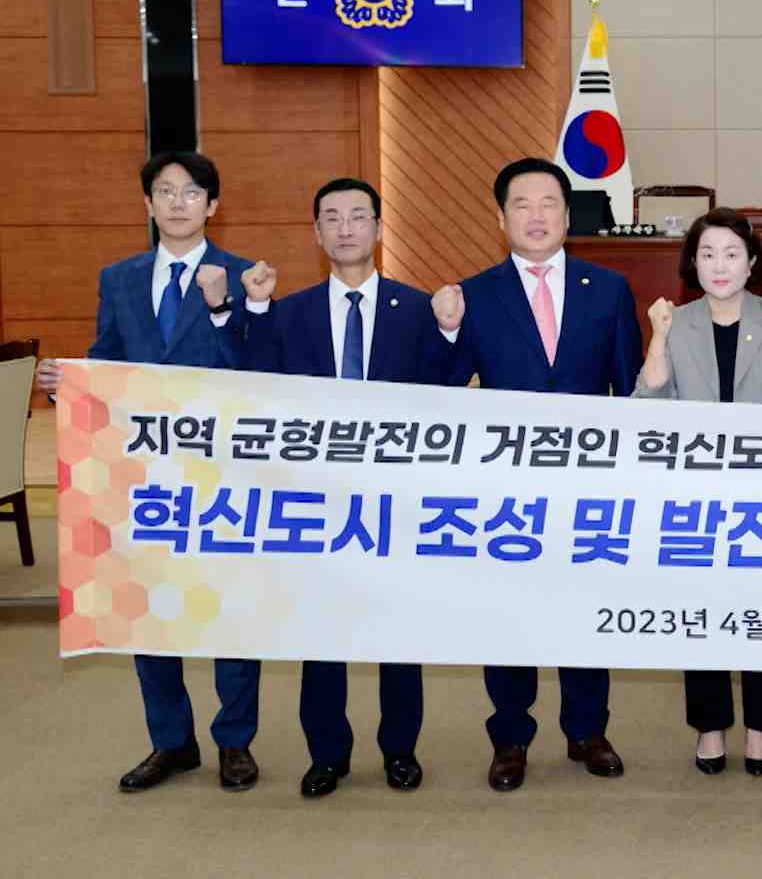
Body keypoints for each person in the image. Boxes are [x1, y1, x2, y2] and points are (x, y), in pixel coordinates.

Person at [35, 152, 262, 793]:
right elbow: (108, 359)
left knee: (229, 610)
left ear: (213, 205)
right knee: (148, 608)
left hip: (220, 474)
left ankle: (235, 742)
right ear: (147, 204)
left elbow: (256, 371)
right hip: (139, 475)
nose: (177, 203)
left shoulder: (244, 275)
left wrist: (225, 309)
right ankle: (171, 742)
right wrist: (68, 383)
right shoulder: (120, 279)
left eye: (191, 192)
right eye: (165, 191)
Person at [433, 157, 644, 792]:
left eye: (548, 203)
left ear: (567, 214)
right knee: (510, 614)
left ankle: (587, 730)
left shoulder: (608, 289)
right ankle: (510, 737)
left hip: (588, 484)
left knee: (583, 608)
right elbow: (442, 390)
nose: (536, 216)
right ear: (500, 218)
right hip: (508, 487)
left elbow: (630, 388)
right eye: (521, 204)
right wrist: (447, 332)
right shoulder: (473, 294)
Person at [241, 177, 452, 798]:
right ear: (317, 233)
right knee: (322, 634)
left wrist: (448, 333)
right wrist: (255, 311)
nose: (345, 228)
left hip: (395, 500)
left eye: (358, 216)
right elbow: (258, 387)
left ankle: (400, 750)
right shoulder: (290, 312)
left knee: (398, 632)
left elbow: (445, 395)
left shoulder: (418, 309)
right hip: (317, 499)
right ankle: (327, 755)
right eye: (331, 218)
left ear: (379, 229)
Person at [634, 208, 762, 778]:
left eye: (731, 254)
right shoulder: (674, 322)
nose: (719, 265)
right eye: (707, 254)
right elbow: (648, 403)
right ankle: (710, 727)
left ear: (752, 263)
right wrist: (658, 337)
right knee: (701, 612)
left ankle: (760, 728)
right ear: (693, 263)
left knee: (761, 612)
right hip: (696, 497)